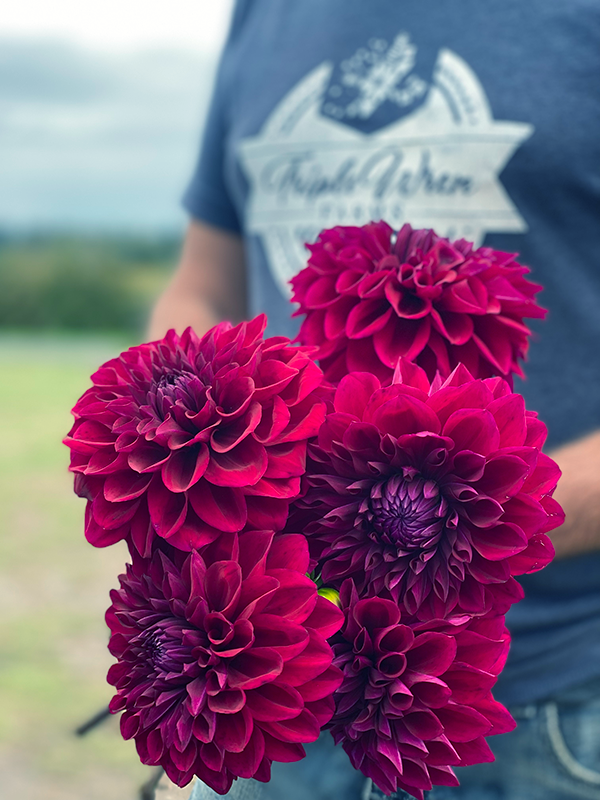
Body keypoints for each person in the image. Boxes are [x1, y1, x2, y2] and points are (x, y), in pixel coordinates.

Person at [149, 1, 600, 798]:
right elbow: (203, 282)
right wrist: (174, 450)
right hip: (273, 709)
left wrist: (459, 528)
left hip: (550, 710)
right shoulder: (263, 12)